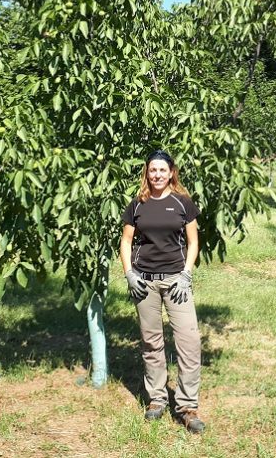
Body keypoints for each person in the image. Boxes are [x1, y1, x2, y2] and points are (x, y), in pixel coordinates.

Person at [120, 149, 205, 434]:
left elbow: (193, 241)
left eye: (162, 170)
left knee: (189, 342)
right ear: (147, 173)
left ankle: (187, 406)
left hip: (175, 282)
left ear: (171, 173)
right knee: (151, 342)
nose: (156, 175)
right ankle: (156, 399)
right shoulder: (137, 204)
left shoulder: (183, 203)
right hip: (145, 283)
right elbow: (126, 241)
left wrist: (186, 274)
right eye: (152, 170)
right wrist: (129, 274)